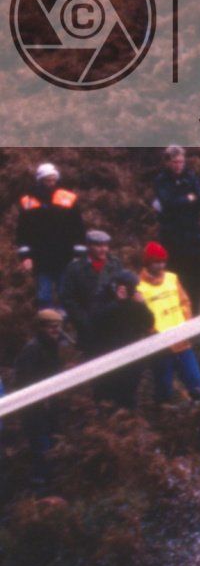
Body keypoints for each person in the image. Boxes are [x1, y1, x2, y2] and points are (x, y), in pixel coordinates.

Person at [133, 243, 200, 403]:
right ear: (147, 263)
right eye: (156, 262)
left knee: (196, 383)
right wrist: (153, 333)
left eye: (163, 261)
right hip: (160, 346)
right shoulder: (138, 286)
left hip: (182, 341)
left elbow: (185, 302)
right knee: (164, 388)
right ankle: (163, 418)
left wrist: (187, 325)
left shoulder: (172, 278)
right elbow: (140, 319)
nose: (161, 266)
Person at [10, 309, 72, 487]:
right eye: (52, 327)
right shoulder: (33, 349)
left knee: (51, 442)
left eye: (58, 327)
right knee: (41, 445)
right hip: (34, 407)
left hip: (49, 405)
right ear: (41, 328)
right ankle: (41, 484)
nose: (56, 331)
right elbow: (25, 380)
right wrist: (39, 399)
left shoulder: (51, 346)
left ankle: (50, 479)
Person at [15, 163, 82, 308]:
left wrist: (78, 254)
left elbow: (78, 229)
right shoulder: (28, 202)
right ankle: (45, 323)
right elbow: (22, 232)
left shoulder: (68, 198)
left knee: (65, 294)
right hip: (41, 258)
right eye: (47, 180)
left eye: (53, 179)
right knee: (43, 296)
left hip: (65, 256)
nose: (51, 183)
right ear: (40, 180)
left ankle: (63, 325)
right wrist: (25, 256)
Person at [151, 147, 200, 307]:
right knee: (175, 277)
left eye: (181, 162)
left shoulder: (190, 177)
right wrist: (189, 199)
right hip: (172, 238)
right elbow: (168, 204)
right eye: (175, 162)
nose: (179, 165)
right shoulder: (161, 180)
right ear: (168, 162)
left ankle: (195, 314)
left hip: (192, 236)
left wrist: (184, 201)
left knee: (194, 279)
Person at [58, 230, 119, 354]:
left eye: (106, 245)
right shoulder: (75, 268)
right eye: (99, 246)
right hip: (88, 327)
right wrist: (82, 320)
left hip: (112, 325)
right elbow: (67, 298)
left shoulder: (115, 264)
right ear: (89, 246)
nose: (103, 249)